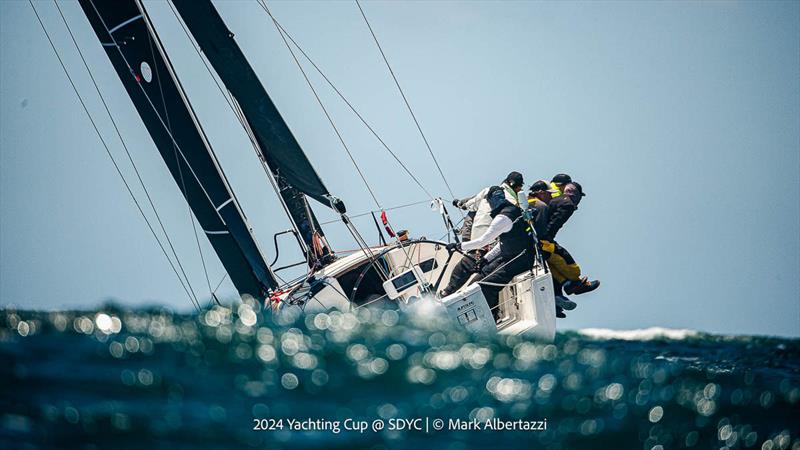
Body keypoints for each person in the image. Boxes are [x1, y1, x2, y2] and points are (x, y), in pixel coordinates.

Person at [445, 186, 535, 321]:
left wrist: (459, 246)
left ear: (489, 201)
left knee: (485, 285)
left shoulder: (503, 217)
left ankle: (491, 318)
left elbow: (482, 241)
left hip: (519, 260)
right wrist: (486, 259)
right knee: (478, 279)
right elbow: (503, 243)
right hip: (510, 255)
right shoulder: (510, 210)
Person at [443, 172, 525, 297]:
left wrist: (460, 204)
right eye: (520, 186)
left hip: (478, 238)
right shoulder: (514, 202)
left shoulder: (488, 191)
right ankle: (476, 298)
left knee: (466, 265)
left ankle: (447, 292)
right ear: (516, 186)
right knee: (487, 272)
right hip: (495, 242)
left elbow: (470, 204)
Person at [537, 181, 600, 316]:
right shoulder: (567, 205)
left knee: (550, 264)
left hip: (537, 238)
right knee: (566, 261)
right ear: (574, 194)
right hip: (542, 240)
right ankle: (576, 284)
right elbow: (554, 224)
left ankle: (564, 290)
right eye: (579, 197)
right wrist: (547, 241)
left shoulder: (555, 199)